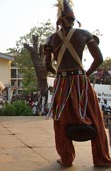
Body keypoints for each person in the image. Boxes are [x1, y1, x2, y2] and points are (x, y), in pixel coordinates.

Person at [45, 0, 111, 167]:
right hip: (81, 82)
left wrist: (60, 74)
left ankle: (66, 158)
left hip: (62, 84)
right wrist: (85, 74)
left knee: (61, 120)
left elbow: (47, 66)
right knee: (95, 117)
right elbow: (99, 59)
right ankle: (101, 158)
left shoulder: (51, 39)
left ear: (59, 20)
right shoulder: (84, 34)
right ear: (73, 19)